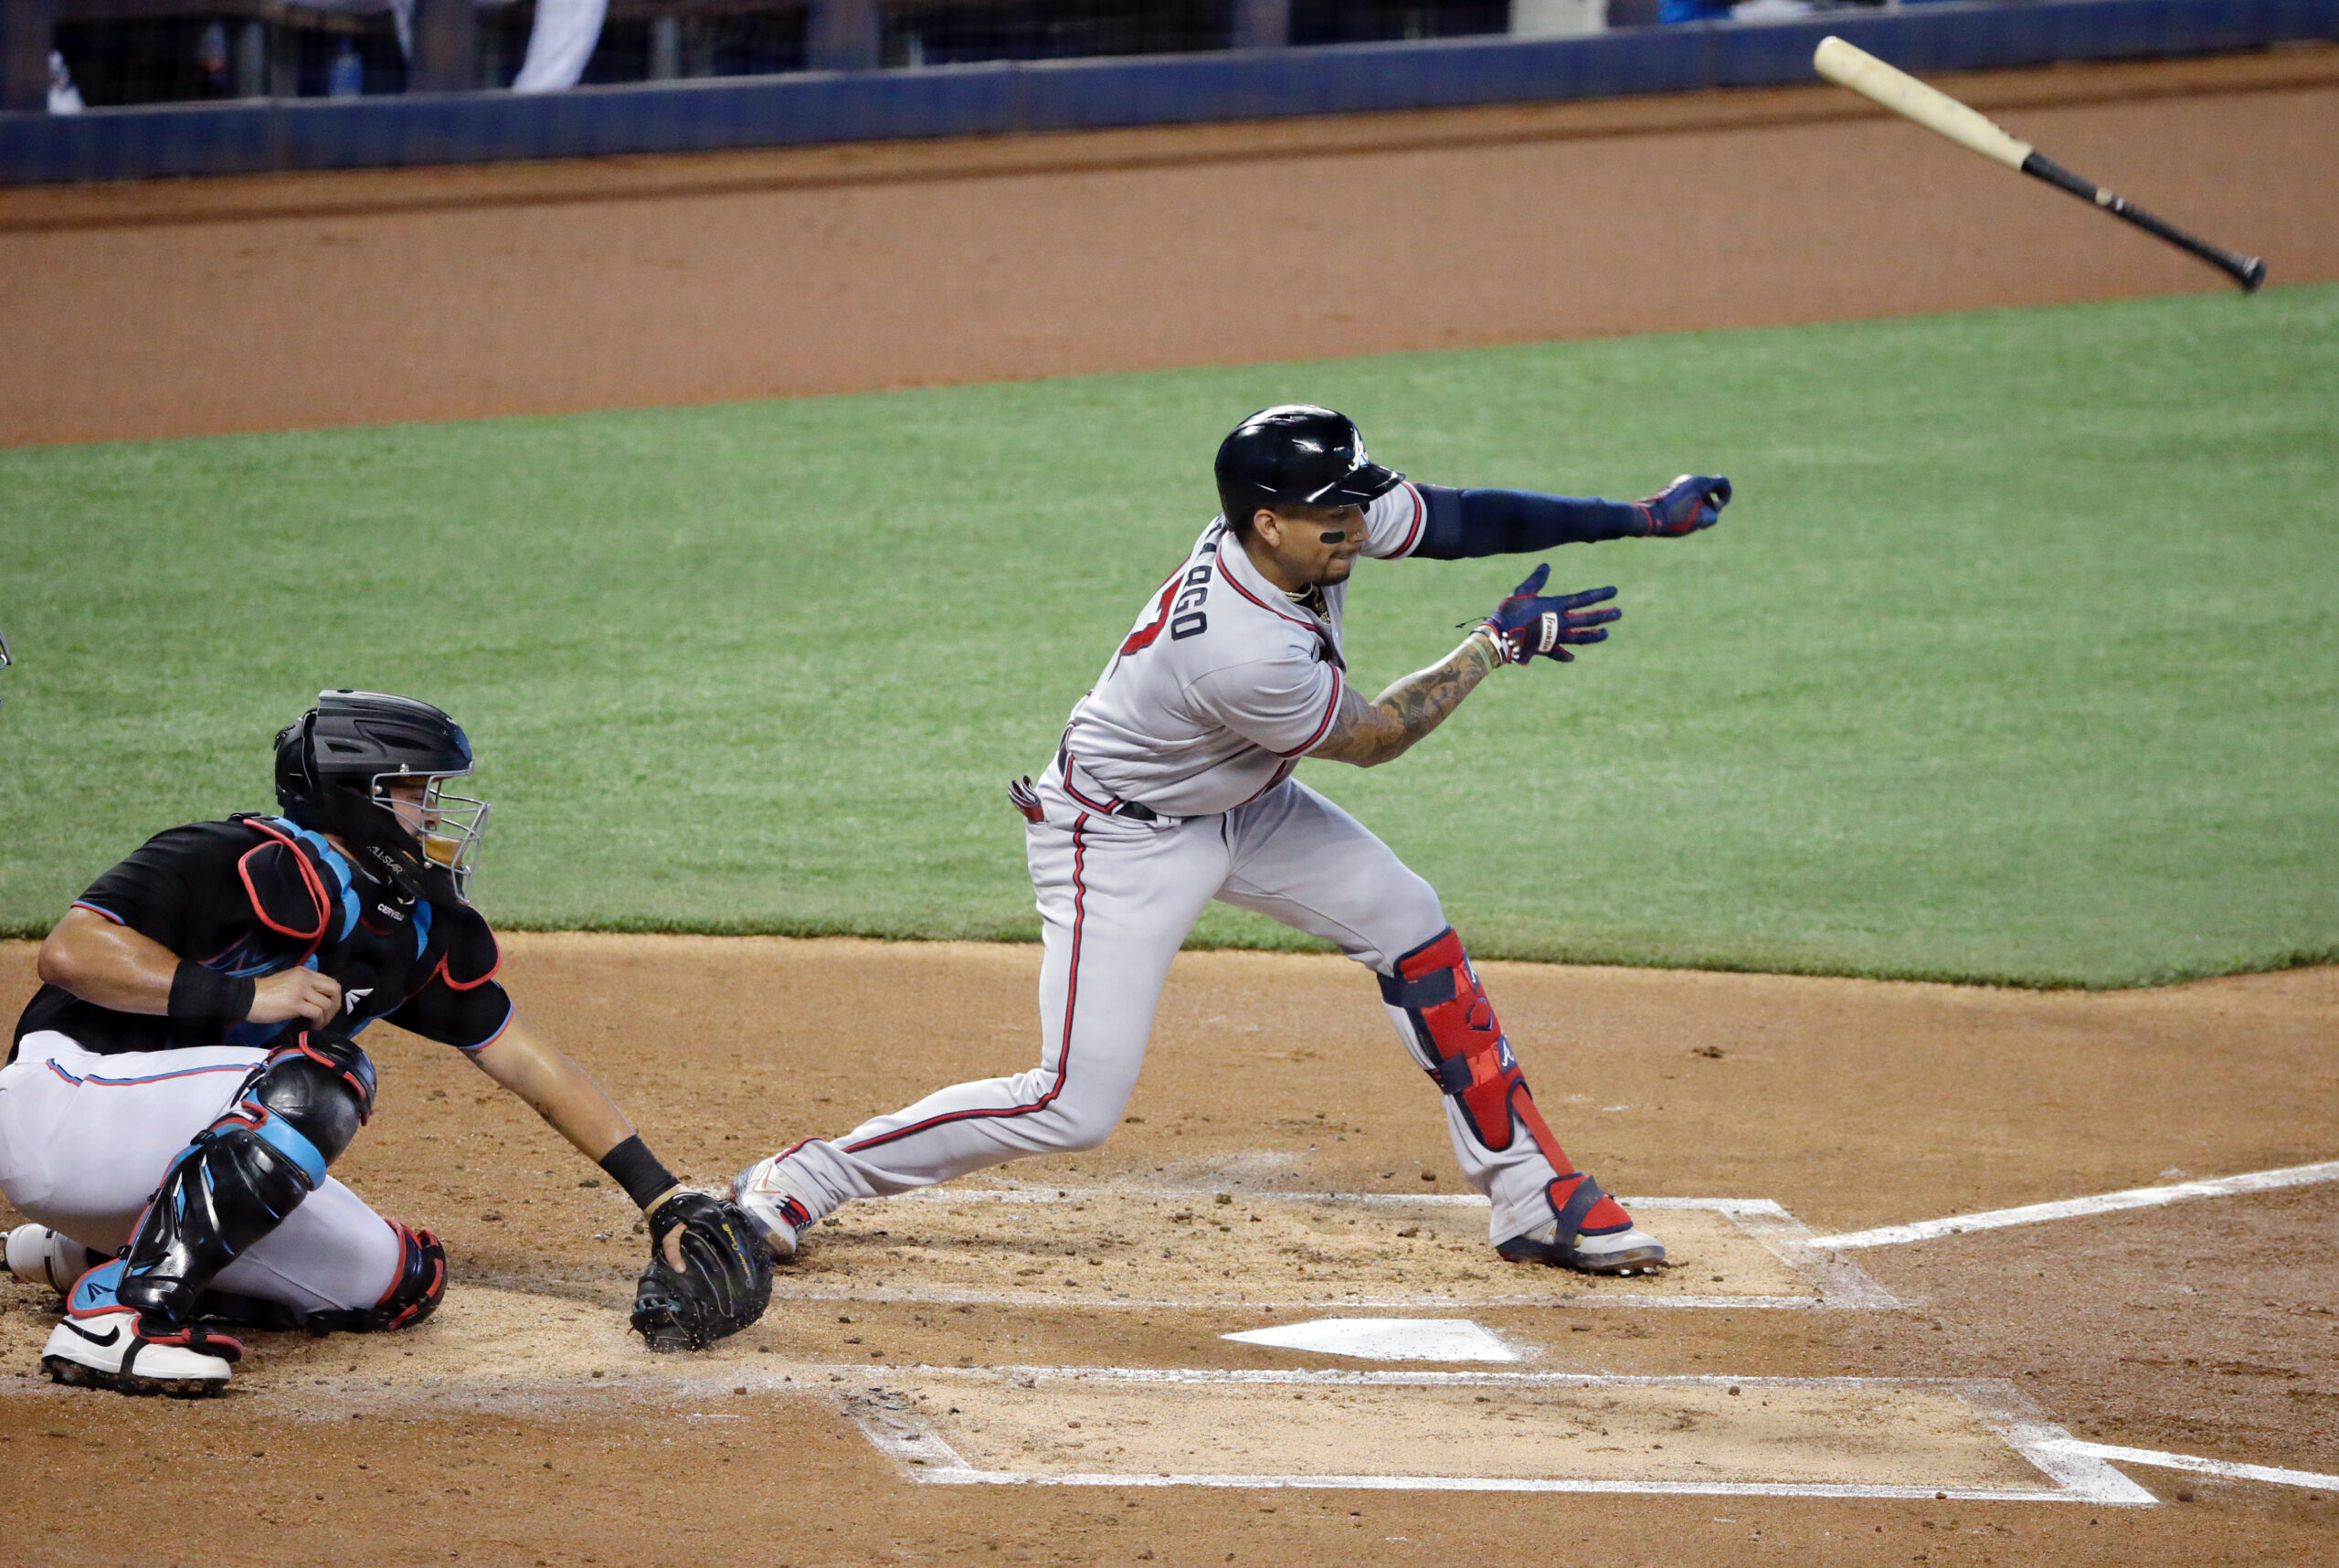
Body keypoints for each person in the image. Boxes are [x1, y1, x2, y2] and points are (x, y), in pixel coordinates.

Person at [733, 406, 1730, 1277]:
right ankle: (805, 1175)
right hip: (1120, 838)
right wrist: (1495, 643)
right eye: (1336, 511)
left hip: (1245, 804)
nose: (1358, 523)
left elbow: (1466, 518)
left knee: (1409, 924)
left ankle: (1531, 1193)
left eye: (1358, 501)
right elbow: (1377, 738)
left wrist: (1639, 517)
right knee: (1072, 1105)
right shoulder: (1240, 651)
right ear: (1268, 522)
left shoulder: (1302, 521)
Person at [1, 690, 767, 1396]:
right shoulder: (230, 858)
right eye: (416, 793)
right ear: (355, 794)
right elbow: (71, 952)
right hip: (64, 1104)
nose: (435, 816)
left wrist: (660, 1194)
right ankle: (126, 1320)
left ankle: (89, 1257)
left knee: (402, 1282)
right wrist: (249, 995)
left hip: (159, 1156)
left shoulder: (407, 929)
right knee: (320, 1077)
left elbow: (525, 1058)